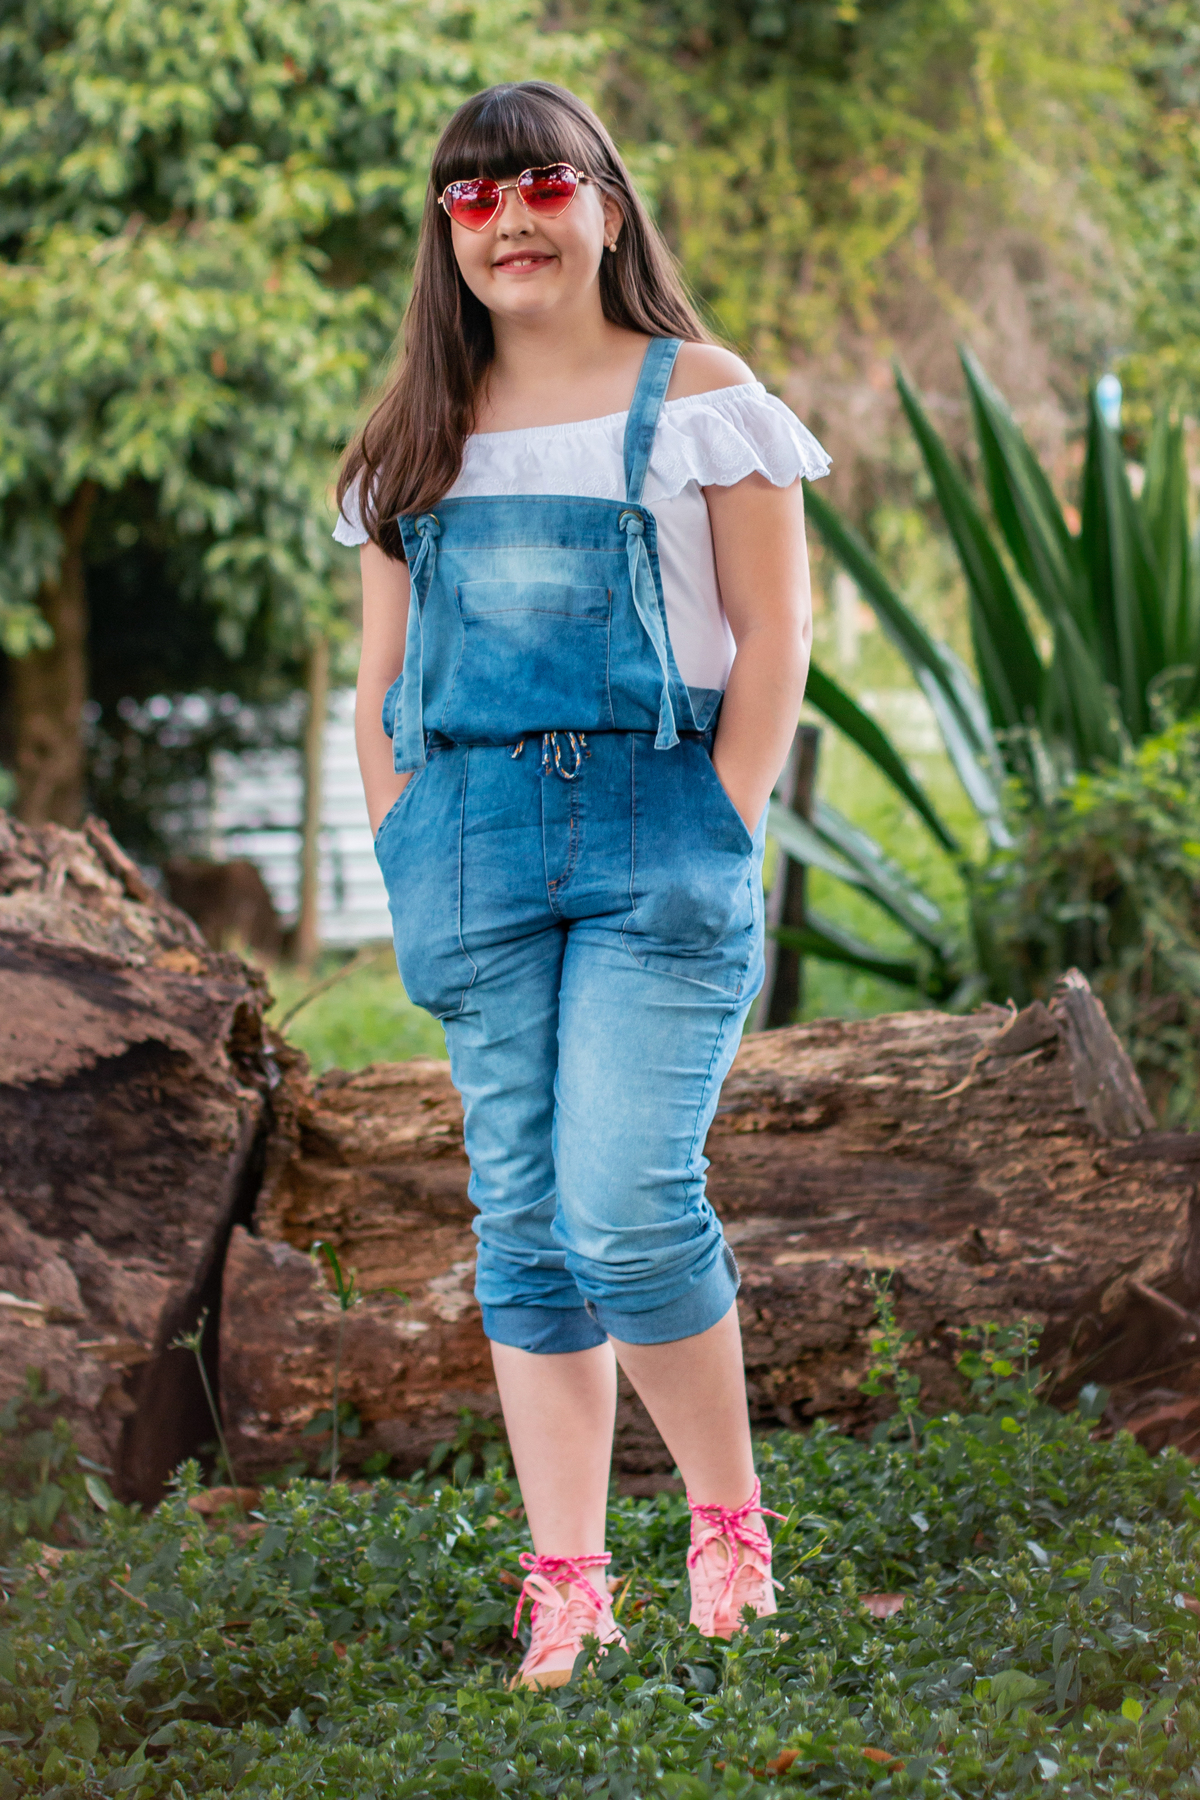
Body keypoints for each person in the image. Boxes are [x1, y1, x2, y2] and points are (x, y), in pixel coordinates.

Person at [336, 80, 829, 1689]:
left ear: (608, 201)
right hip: (468, 843)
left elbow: (776, 638)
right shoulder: (412, 434)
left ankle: (729, 1521)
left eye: (543, 182)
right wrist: (405, 838)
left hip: (653, 833)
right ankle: (569, 1581)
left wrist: (722, 821)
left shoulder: (703, 395)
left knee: (625, 1204)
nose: (512, 219)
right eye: (472, 197)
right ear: (446, 233)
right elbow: (376, 683)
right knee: (526, 1230)